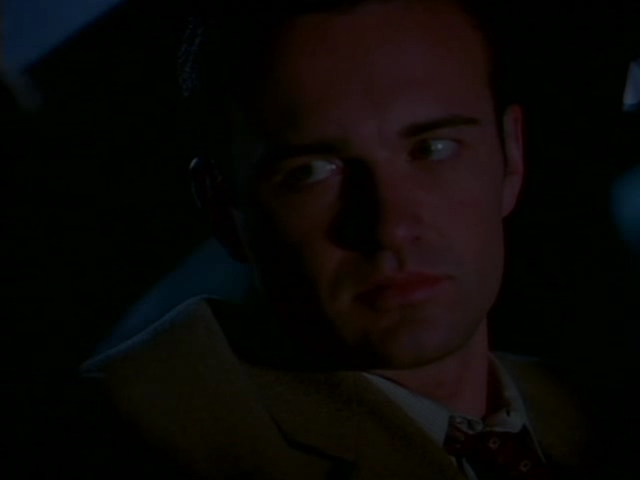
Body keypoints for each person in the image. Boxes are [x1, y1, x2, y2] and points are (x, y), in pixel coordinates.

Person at [72, 0, 614, 478]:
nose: (390, 226)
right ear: (222, 206)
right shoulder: (136, 436)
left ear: (512, 155)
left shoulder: (593, 407)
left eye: (434, 149)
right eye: (311, 171)